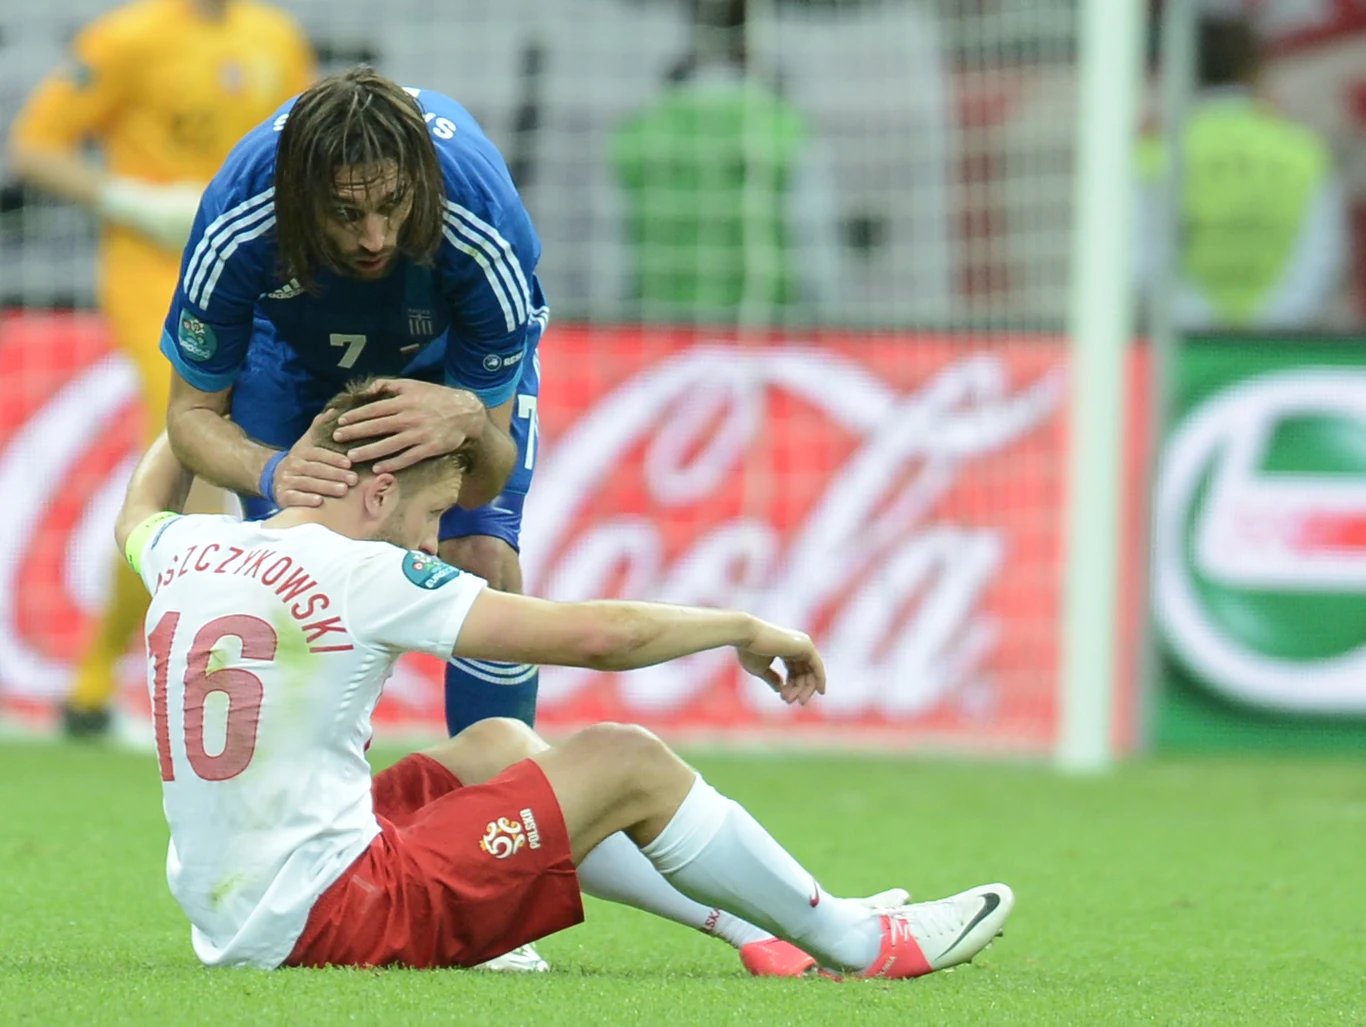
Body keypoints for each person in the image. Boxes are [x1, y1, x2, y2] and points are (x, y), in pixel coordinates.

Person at [115, 378, 1015, 976]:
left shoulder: (187, 546)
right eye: (432, 512)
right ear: (379, 492)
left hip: (231, 913)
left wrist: (203, 388)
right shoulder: (366, 572)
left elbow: (139, 504)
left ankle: (761, 930)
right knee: (626, 759)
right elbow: (600, 635)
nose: (434, 541)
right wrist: (741, 625)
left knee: (495, 744)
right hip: (336, 916)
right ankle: (860, 943)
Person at [159, 66, 548, 751]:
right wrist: (274, 471)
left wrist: (461, 416)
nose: (375, 236)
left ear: (418, 180)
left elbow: (483, 479)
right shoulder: (240, 216)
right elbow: (190, 416)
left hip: (444, 362)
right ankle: (319, 833)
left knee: (483, 556)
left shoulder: (481, 219)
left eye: (393, 205)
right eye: (346, 214)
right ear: (299, 197)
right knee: (296, 586)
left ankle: (500, 816)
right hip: (291, 363)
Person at [6, 0, 314, 738]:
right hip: (153, 272)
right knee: (188, 445)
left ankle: (94, 685)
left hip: (252, 268)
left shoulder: (275, 37)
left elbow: (302, 147)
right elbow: (34, 145)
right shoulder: (128, 38)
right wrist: (130, 199)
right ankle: (201, 684)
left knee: (243, 456)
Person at [610, 0, 841, 325]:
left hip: (658, 337)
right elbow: (818, 262)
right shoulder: (786, 128)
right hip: (765, 336)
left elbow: (610, 266)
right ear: (755, 37)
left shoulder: (637, 132)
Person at [1134, 13, 1347, 330]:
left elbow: (1139, 261)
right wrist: (1271, 322)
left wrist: (1198, 321)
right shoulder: (1303, 150)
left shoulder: (1151, 153)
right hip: (1282, 345)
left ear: (1178, 71)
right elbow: (1322, 260)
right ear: (1253, 72)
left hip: (1182, 346)